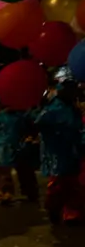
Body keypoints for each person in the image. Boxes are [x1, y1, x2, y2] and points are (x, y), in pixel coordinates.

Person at [35, 84, 82, 225]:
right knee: (58, 184)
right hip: (58, 152)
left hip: (71, 151)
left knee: (72, 184)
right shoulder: (53, 110)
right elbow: (39, 124)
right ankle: (55, 211)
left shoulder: (71, 109)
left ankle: (71, 213)